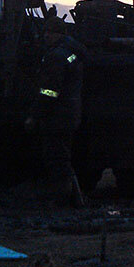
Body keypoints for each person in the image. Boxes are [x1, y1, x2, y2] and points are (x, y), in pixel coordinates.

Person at [25, 15, 87, 207]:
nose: (45, 36)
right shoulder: (71, 53)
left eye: (48, 33)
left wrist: (34, 116)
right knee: (62, 156)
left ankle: (64, 200)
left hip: (58, 116)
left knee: (57, 158)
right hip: (69, 113)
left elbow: (49, 91)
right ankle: (75, 199)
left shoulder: (56, 57)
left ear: (55, 34)